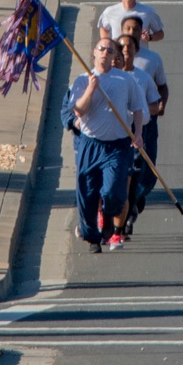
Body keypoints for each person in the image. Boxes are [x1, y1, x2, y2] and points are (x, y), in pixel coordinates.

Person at [66, 38, 146, 253]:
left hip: (118, 146)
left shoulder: (125, 80)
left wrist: (138, 134)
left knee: (113, 192)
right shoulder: (82, 80)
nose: (105, 53)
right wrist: (91, 89)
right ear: (94, 53)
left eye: (110, 51)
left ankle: (109, 217)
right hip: (90, 144)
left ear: (115, 56)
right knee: (87, 192)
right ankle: (92, 238)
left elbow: (138, 109)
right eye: (102, 49)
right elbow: (78, 110)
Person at [120, 14, 169, 212]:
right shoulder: (111, 58)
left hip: (147, 123)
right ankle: (127, 207)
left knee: (147, 169)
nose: (132, 32)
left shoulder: (152, 59)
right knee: (126, 168)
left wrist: (161, 105)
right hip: (119, 126)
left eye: (136, 29)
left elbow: (162, 88)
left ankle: (137, 196)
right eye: (128, 29)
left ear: (142, 33)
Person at [115, 33, 161, 236]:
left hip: (140, 132)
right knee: (125, 177)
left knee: (143, 177)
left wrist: (141, 115)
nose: (126, 52)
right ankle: (120, 220)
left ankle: (132, 207)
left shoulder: (142, 78)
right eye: (122, 48)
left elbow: (155, 104)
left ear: (136, 51)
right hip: (115, 134)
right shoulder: (109, 78)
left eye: (130, 48)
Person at [99, 0, 165, 43]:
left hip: (140, 52)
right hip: (119, 52)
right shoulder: (110, 11)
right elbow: (103, 27)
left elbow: (160, 34)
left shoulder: (148, 11)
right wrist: (107, 41)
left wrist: (150, 37)